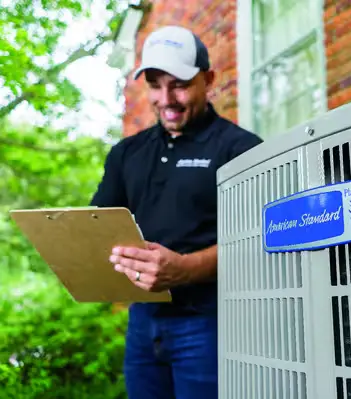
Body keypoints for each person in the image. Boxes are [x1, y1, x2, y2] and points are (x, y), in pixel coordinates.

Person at [90, 25, 263, 398]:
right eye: (155, 85)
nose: (166, 99)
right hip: (143, 321)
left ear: (208, 80)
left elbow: (262, 240)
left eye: (179, 84)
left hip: (210, 321)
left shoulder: (242, 150)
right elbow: (98, 226)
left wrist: (184, 269)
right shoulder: (126, 154)